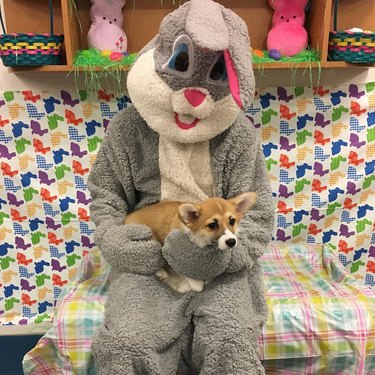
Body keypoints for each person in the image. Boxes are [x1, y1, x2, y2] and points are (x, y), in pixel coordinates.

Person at [88, 0, 275, 373]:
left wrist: (221, 256)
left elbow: (256, 216)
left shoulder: (238, 135)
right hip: (150, 258)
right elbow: (106, 193)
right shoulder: (128, 128)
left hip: (220, 265)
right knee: (127, 343)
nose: (193, 97)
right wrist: (116, 241)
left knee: (231, 341)